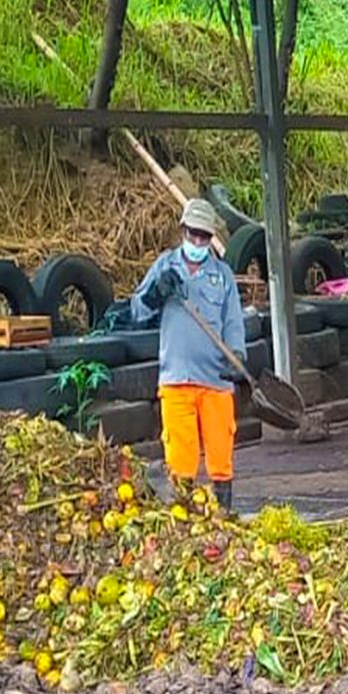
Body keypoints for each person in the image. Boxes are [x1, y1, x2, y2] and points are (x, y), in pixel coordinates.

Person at [110, 197, 246, 511]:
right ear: (183, 230)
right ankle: (183, 521)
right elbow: (138, 310)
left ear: (211, 238)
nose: (198, 241)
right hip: (177, 380)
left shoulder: (222, 275)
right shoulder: (165, 266)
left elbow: (233, 321)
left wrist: (237, 356)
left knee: (221, 459)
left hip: (217, 381)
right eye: (193, 234)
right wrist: (157, 291)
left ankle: (223, 515)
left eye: (204, 236)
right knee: (181, 463)